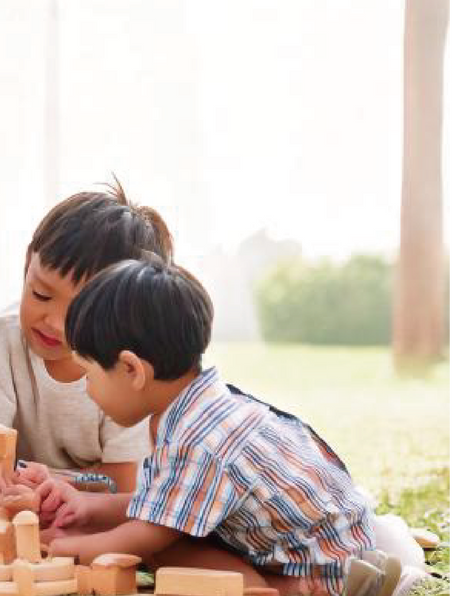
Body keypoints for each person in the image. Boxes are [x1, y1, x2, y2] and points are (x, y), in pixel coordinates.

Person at [38, 254, 377, 596]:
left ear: (131, 370)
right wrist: (89, 508)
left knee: (164, 551)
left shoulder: (196, 441)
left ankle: (278, 590)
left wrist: (67, 549)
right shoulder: (203, 404)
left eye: (89, 372)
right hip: (342, 540)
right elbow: (163, 503)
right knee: (171, 533)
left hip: (326, 569)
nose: (87, 387)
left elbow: (143, 537)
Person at [0, 184, 172, 507]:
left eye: (80, 312)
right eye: (41, 294)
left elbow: (125, 482)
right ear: (27, 264)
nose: (53, 322)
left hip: (93, 510)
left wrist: (58, 484)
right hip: (17, 501)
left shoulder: (125, 371)